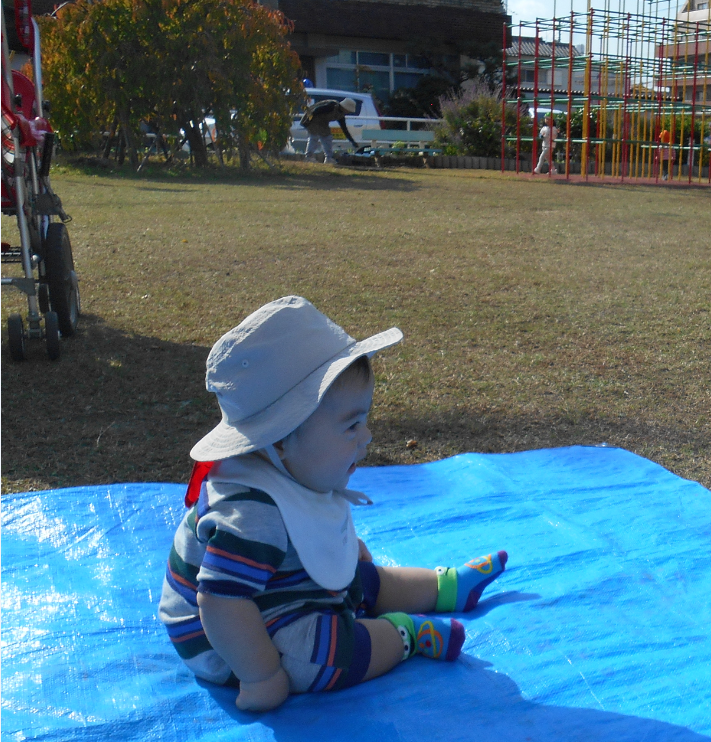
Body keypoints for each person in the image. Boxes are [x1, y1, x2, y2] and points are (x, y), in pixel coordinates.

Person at [158, 296, 508, 711]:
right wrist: (262, 675)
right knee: (330, 654)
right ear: (284, 437)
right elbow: (220, 602)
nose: (368, 437)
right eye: (352, 424)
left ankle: (445, 587)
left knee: (363, 578)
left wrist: (343, 551)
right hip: (233, 643)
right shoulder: (250, 514)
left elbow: (311, 525)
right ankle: (405, 635)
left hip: (279, 594)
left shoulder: (292, 467)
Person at [302, 98, 360, 164]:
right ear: (345, 107)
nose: (349, 112)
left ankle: (328, 158)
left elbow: (344, 129)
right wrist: (307, 121)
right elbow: (315, 110)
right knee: (314, 137)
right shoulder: (331, 106)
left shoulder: (341, 115)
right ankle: (308, 157)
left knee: (328, 138)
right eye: (348, 110)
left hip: (323, 123)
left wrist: (352, 141)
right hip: (312, 120)